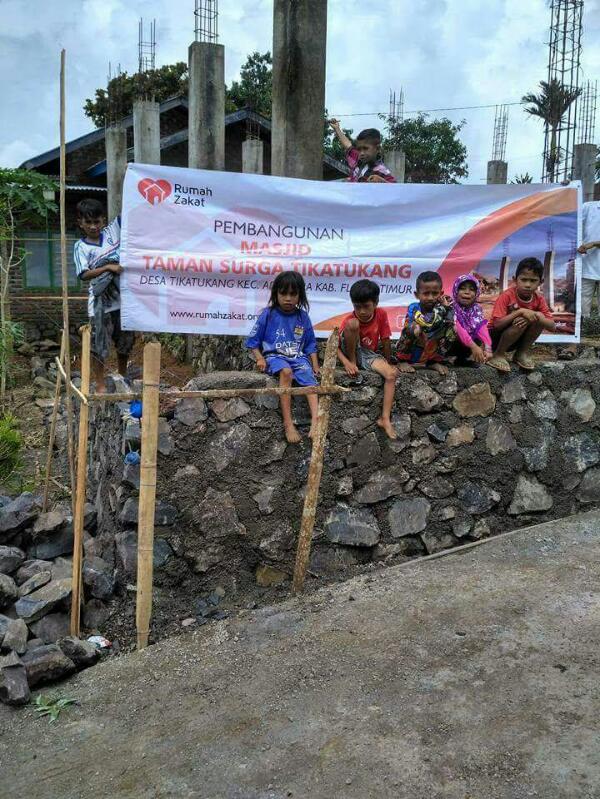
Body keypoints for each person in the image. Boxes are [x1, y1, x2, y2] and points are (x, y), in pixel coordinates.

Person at [246, 271, 319, 444]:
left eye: (293, 294)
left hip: (298, 357)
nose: (288, 298)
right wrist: (260, 359)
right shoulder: (268, 314)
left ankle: (316, 421)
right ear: (275, 294)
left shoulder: (303, 316)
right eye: (283, 293)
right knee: (286, 372)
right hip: (275, 357)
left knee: (309, 377)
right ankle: (288, 424)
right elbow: (253, 342)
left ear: (300, 295)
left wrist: (315, 365)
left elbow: (310, 345)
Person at [73, 198, 134, 393]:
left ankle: (123, 376)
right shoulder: (81, 247)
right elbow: (83, 274)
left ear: (103, 220)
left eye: (96, 222)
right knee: (99, 346)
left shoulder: (112, 232)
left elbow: (130, 214)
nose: (93, 227)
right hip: (100, 305)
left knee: (125, 343)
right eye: (88, 222)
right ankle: (99, 384)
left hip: (122, 301)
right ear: (80, 223)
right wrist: (108, 267)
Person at [337, 279, 399, 440]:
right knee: (353, 324)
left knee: (391, 374)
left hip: (368, 354)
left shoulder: (381, 314)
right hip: (350, 350)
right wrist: (347, 362)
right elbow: (334, 347)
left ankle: (384, 418)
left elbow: (385, 339)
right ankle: (353, 361)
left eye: (366, 306)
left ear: (376, 303)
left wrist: (388, 362)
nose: (362, 311)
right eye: (358, 307)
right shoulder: (349, 319)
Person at [487, 257, 555, 373]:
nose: (528, 285)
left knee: (539, 319)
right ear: (515, 279)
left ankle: (520, 353)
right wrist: (520, 312)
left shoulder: (539, 298)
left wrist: (535, 315)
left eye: (533, 281)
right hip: (494, 339)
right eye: (523, 280)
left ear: (541, 282)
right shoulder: (507, 296)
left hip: (515, 339)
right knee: (521, 319)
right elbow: (497, 325)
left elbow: (552, 326)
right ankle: (498, 355)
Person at [395, 271, 454, 375]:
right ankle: (402, 361)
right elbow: (427, 322)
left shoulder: (445, 307)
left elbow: (449, 322)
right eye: (426, 293)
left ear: (441, 294)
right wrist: (443, 308)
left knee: (453, 329)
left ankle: (434, 361)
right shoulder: (414, 307)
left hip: (431, 349)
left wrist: (446, 308)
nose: (431, 298)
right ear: (417, 295)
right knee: (413, 328)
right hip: (414, 350)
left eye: (435, 293)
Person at [328, 119, 396, 183]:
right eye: (359, 149)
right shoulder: (357, 158)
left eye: (365, 148)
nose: (361, 153)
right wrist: (337, 128)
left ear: (377, 149)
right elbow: (347, 145)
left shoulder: (382, 170)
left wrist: (383, 181)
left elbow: (396, 188)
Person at [450, 274, 492, 365]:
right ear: (456, 290)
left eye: (472, 289)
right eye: (462, 288)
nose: (467, 292)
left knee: (477, 334)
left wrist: (488, 348)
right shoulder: (450, 307)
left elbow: (482, 327)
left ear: (477, 293)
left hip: (465, 343)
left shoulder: (476, 309)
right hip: (448, 344)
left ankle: (461, 360)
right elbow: (458, 328)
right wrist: (474, 347)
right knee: (453, 329)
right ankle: (440, 359)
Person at [578, 200, 600, 317]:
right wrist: (566, 188)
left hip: (588, 263)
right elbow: (571, 221)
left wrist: (594, 243)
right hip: (587, 266)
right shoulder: (588, 207)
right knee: (582, 310)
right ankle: (583, 332)